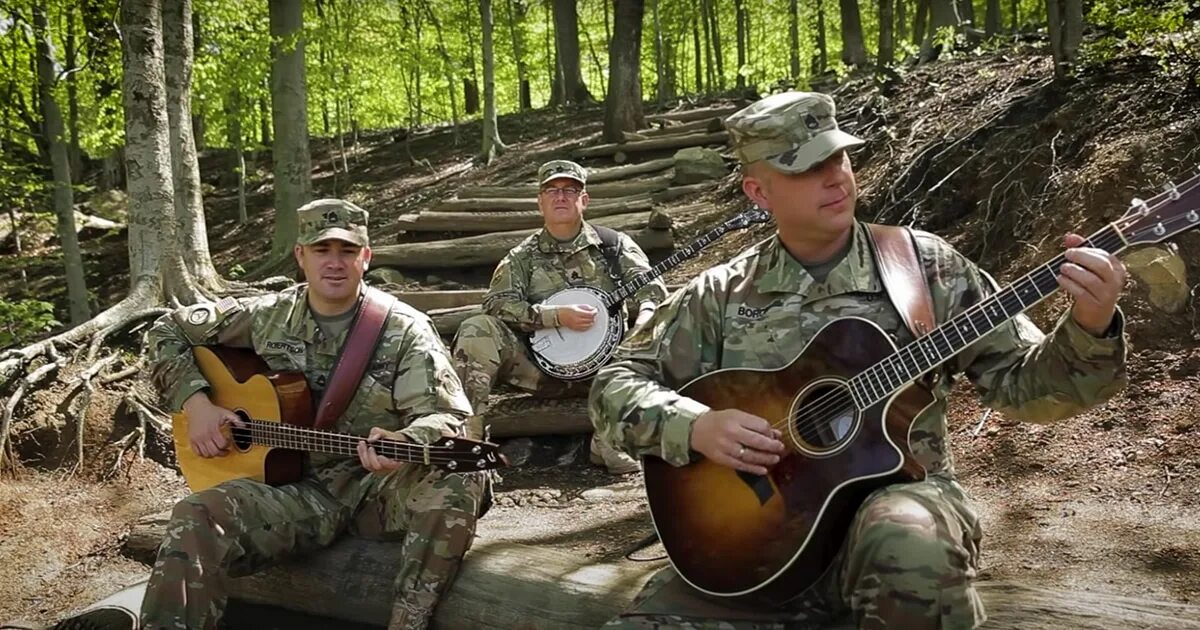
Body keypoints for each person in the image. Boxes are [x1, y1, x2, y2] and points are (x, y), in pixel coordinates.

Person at [588, 91, 1129, 628]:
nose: (835, 177)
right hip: (751, 542)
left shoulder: (922, 268)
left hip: (896, 512)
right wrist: (696, 424)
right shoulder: (721, 294)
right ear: (759, 191)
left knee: (907, 540)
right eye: (805, 167)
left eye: (838, 157)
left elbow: (1026, 388)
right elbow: (614, 383)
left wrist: (1090, 325)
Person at [140, 199, 485, 630]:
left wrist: (408, 441)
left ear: (367, 257)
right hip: (289, 491)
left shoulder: (403, 328)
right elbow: (166, 330)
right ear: (301, 256)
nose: (335, 263)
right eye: (322, 250)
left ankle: (408, 621)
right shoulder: (267, 315)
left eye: (347, 251)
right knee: (196, 513)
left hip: (374, 491)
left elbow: (446, 417)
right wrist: (199, 404)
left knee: (462, 475)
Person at [451, 160, 668, 475]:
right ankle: (469, 440)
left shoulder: (613, 246)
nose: (560, 197)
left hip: (609, 368)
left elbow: (652, 291)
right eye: (551, 190)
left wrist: (642, 325)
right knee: (476, 328)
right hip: (541, 371)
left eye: (570, 190)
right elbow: (497, 304)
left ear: (584, 200)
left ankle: (610, 437)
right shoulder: (522, 257)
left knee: (663, 330)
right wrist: (553, 317)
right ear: (540, 202)